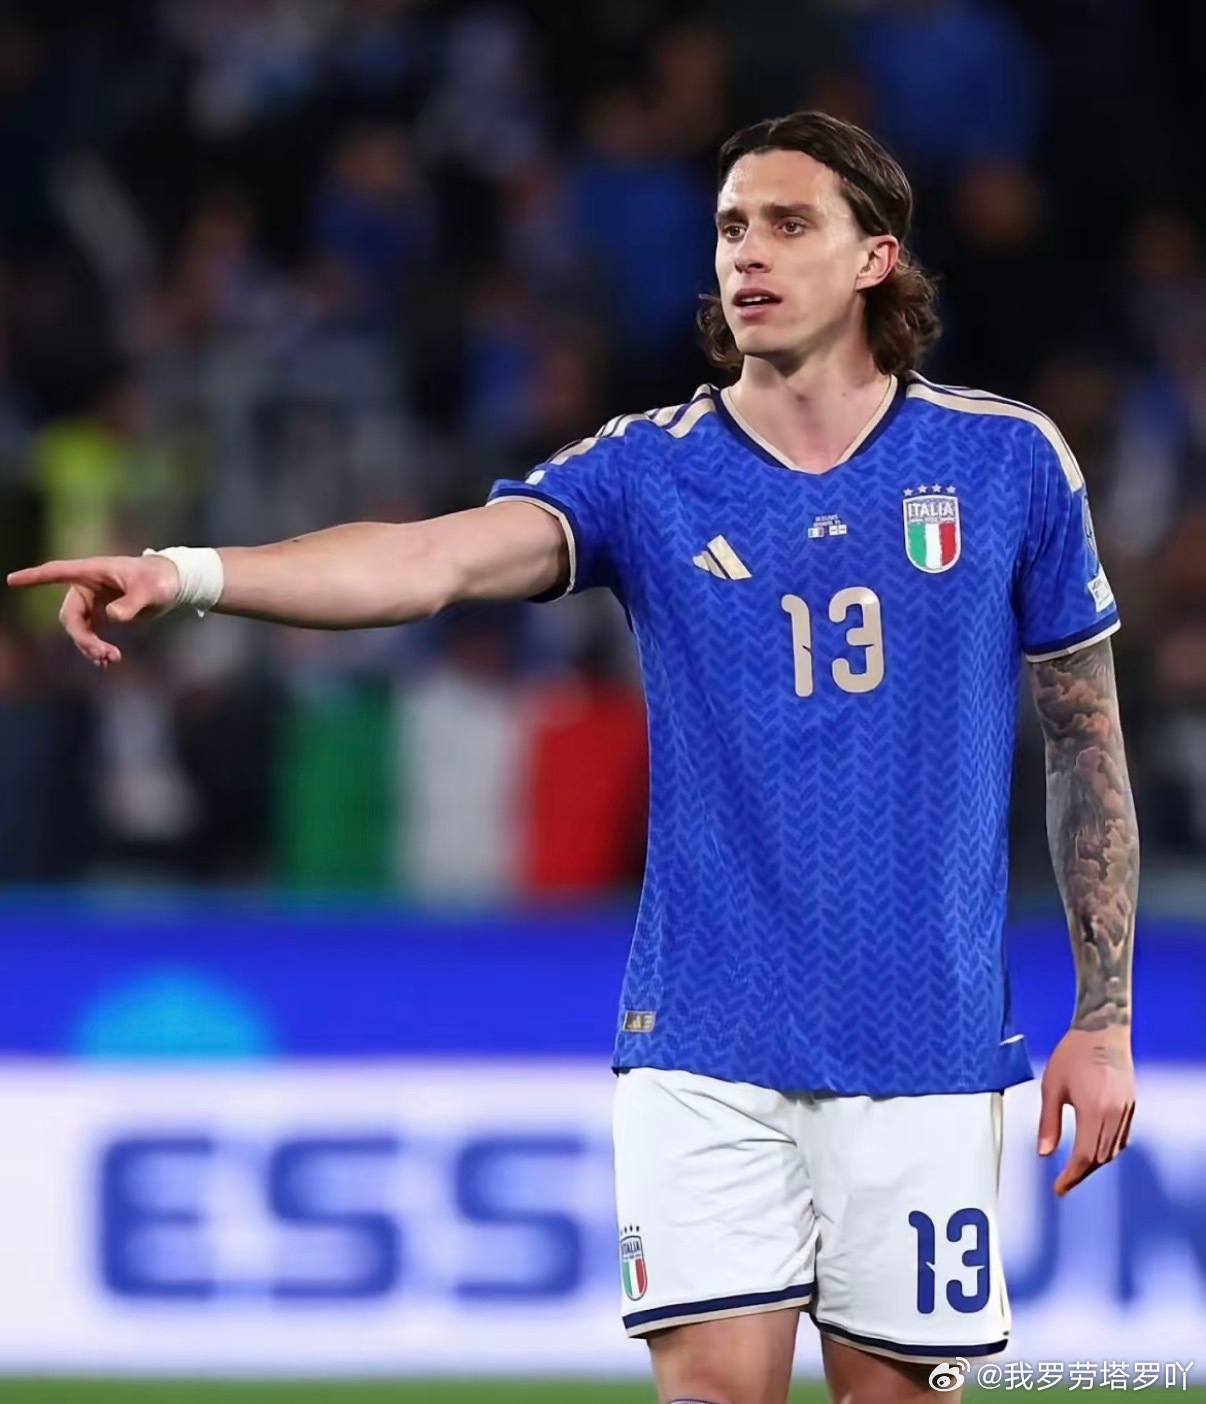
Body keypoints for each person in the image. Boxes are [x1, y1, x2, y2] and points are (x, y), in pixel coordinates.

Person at [7, 112, 1139, 1404]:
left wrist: (1103, 1020)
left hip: (926, 1035)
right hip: (702, 1036)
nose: (748, 253)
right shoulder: (646, 473)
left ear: (875, 257)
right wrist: (190, 572)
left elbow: (1085, 742)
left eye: (788, 224)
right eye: (730, 227)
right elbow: (428, 561)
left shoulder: (1002, 462)